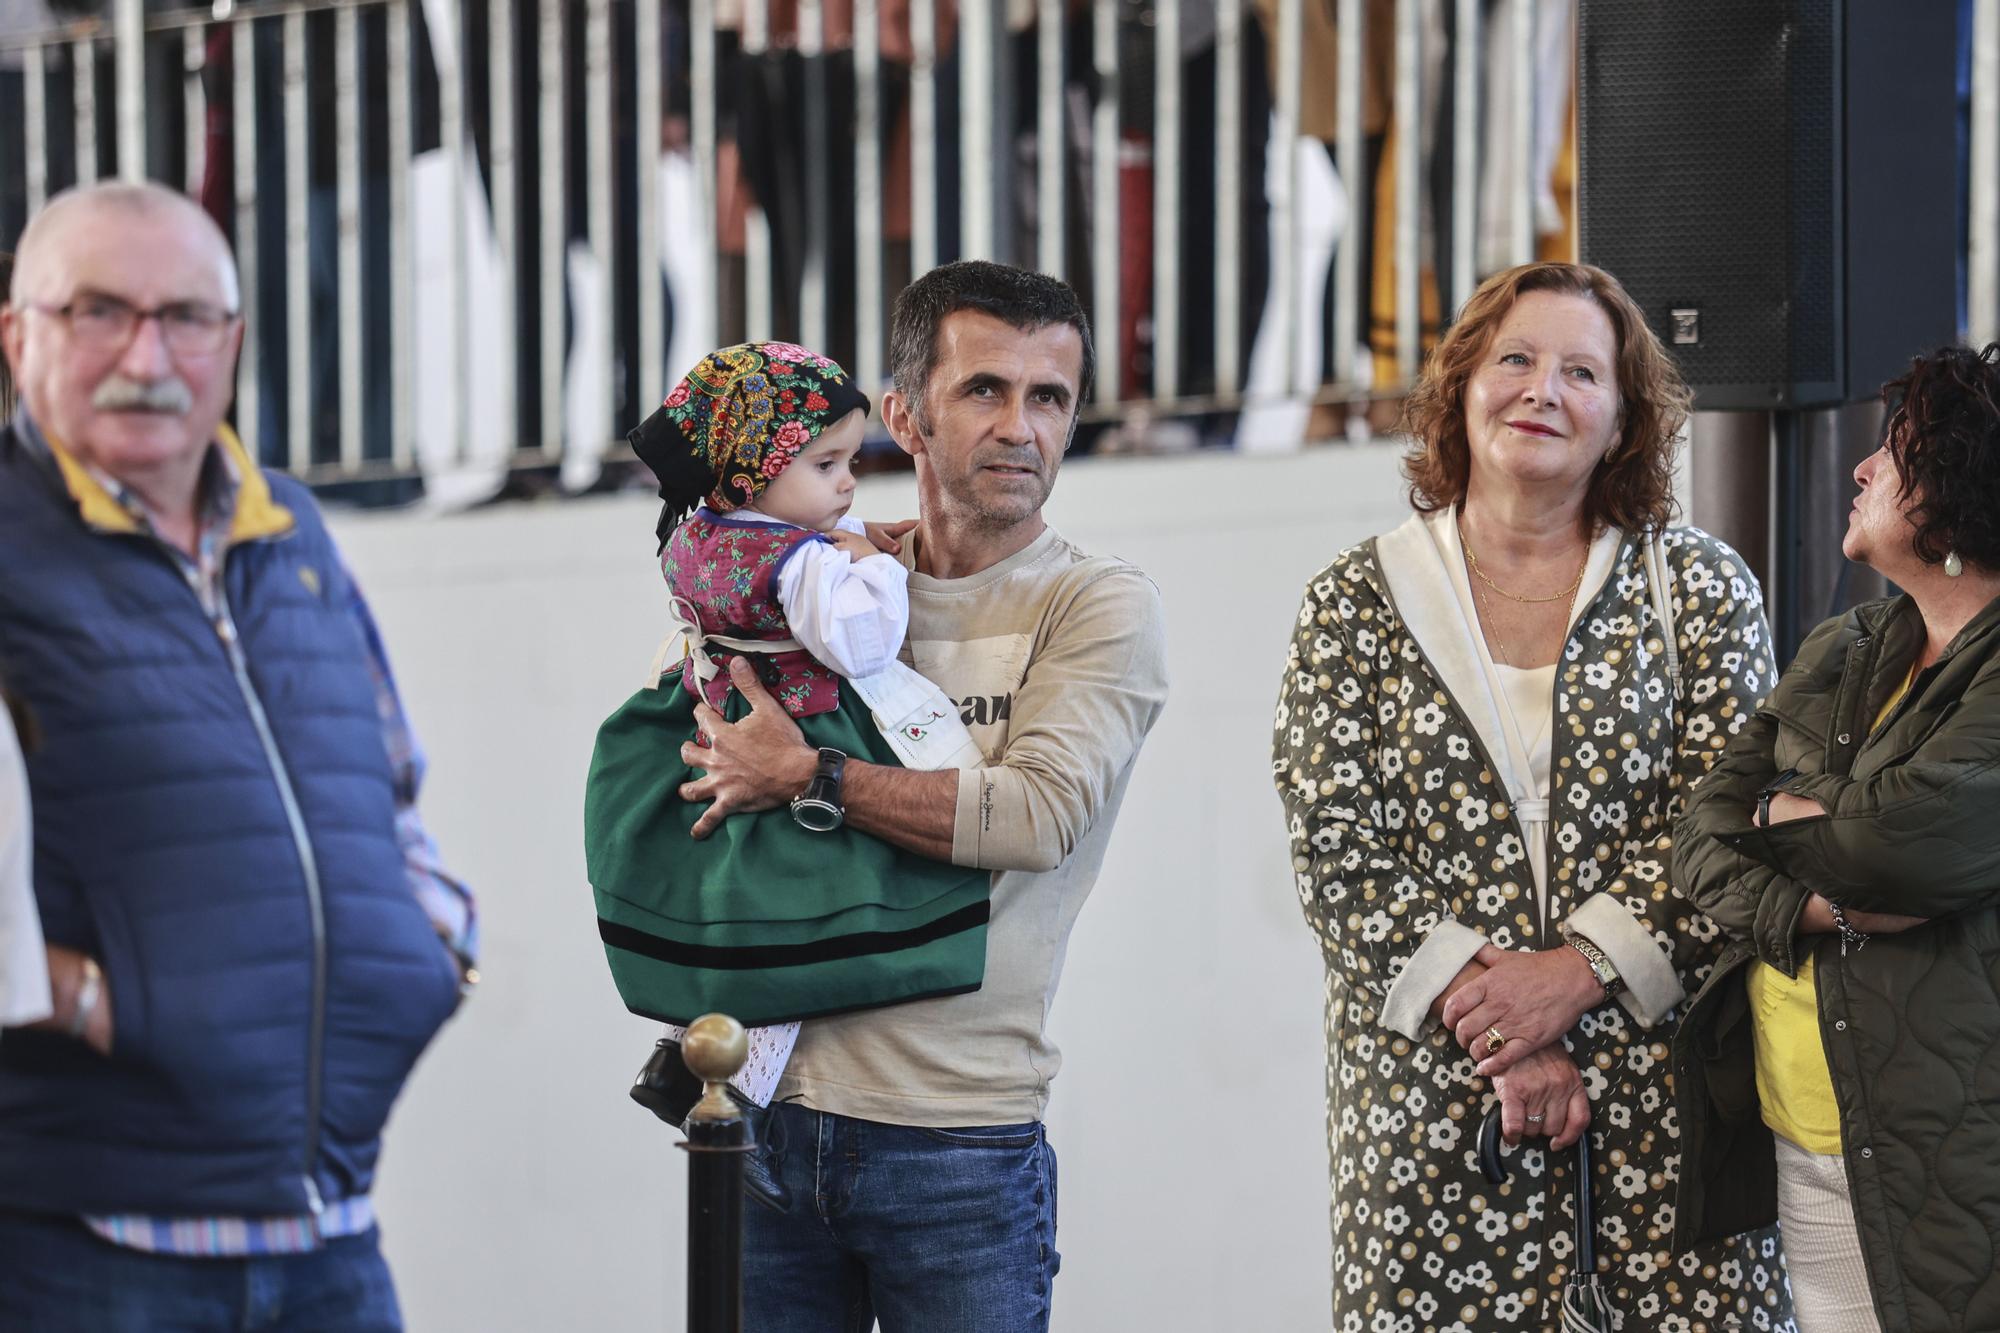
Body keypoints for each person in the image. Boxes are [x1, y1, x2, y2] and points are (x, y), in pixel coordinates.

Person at [1272, 260, 1794, 1330]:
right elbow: (1334, 843)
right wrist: (1506, 1027)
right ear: (1460, 387)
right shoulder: (1351, 601)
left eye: (1580, 373)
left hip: (1667, 1103)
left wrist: (1578, 972)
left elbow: (1732, 819)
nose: (1540, 390)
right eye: (1513, 359)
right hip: (1431, 1107)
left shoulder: (1696, 586)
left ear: (1622, 422)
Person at [0, 181, 475, 1331]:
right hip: (88, 1252)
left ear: (234, 340)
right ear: (19, 335)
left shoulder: (289, 529)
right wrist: (97, 998)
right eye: (98, 312)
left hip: (329, 1240)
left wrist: (432, 935)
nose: (146, 354)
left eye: (185, 316)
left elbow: (387, 778)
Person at [677, 259, 1168, 1332]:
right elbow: (704, 760)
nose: (1020, 427)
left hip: (957, 1146)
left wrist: (807, 776)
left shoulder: (1097, 605)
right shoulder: (821, 580)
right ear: (902, 413)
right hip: (764, 1120)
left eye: (1049, 398)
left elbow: (1032, 818)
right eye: (984, 389)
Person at [1673, 342, 2000, 1333]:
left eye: (1889, 452)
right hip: (1808, 1136)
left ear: (1953, 485)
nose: (1859, 469)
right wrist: (1817, 886)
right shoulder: (1845, 643)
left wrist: (1778, 814)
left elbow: (1896, 849)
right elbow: (1699, 837)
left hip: (1944, 1148)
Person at [585, 339, 987, 1131]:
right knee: (793, 927)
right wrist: (876, 563)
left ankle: (682, 1050)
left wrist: (843, 534)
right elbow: (861, 641)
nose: (848, 481)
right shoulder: (802, 564)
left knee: (732, 918)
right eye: (827, 465)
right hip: (797, 728)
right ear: (755, 468)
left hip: (716, 719)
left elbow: (778, 550)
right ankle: (738, 1095)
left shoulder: (699, 531)